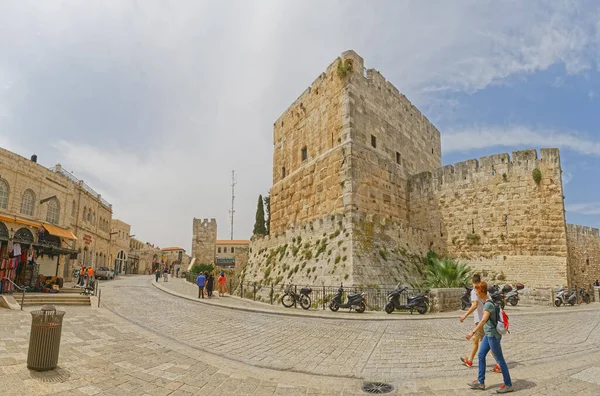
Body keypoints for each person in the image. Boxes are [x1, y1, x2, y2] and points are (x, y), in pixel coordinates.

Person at [467, 281, 513, 393]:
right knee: (481, 355)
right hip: (488, 335)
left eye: (477, 291)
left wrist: (473, 332)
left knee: (500, 360)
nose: (476, 293)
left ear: (481, 291)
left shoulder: (488, 304)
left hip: (493, 336)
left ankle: (508, 384)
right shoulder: (487, 302)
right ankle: (480, 382)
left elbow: (483, 320)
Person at [460, 274, 500, 373]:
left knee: (488, 343)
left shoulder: (475, 291)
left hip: (481, 320)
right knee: (476, 340)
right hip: (486, 319)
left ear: (472, 282)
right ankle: (469, 360)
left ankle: (499, 363)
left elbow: (474, 305)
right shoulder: (484, 290)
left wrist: (464, 315)